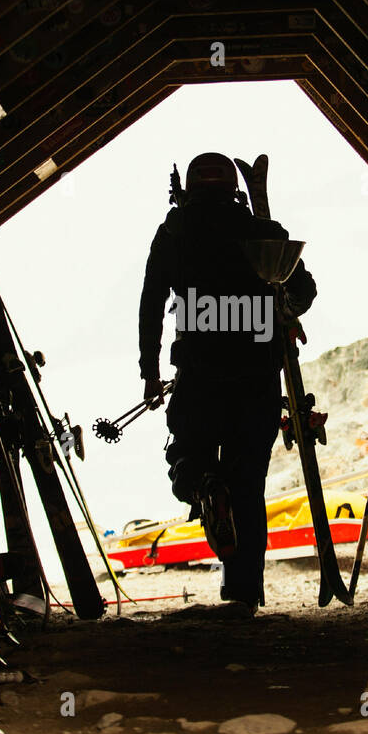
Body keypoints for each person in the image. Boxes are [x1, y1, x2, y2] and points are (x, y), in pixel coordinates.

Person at [138, 152, 316, 614]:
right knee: (249, 484)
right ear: (232, 186)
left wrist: (150, 371)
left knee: (187, 455)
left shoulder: (174, 232)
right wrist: (281, 310)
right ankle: (242, 590)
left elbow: (151, 302)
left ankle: (201, 482)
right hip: (257, 376)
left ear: (191, 187)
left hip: (198, 374)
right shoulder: (260, 228)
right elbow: (303, 291)